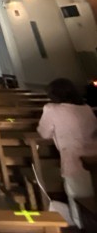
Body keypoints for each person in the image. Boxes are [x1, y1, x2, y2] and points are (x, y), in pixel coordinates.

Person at [37, 77, 97, 228]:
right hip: (93, 156)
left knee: (77, 196)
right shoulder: (86, 108)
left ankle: (81, 225)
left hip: (73, 158)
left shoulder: (51, 109)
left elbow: (44, 133)